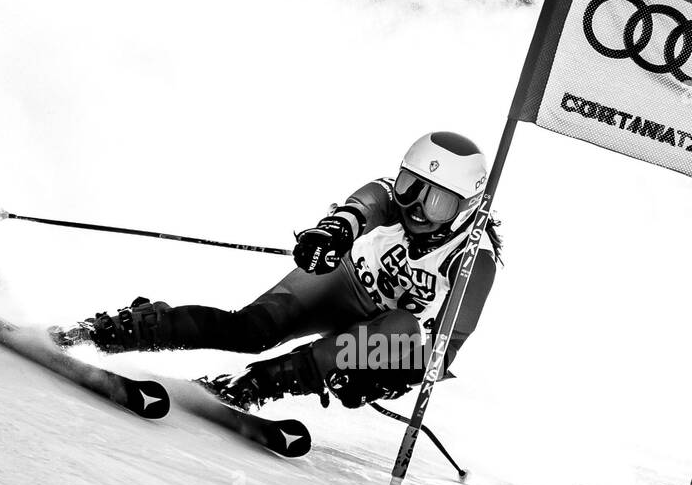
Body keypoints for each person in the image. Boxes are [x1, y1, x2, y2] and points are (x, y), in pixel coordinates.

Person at [52, 131, 501, 410]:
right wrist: (333, 233)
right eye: (411, 187)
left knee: (402, 328)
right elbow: (365, 206)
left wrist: (389, 375)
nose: (416, 208)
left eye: (436, 200)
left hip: (377, 334)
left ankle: (253, 384)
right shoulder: (391, 200)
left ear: (468, 204)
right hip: (342, 282)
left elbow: (444, 353)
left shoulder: (472, 260)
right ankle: (116, 329)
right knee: (251, 330)